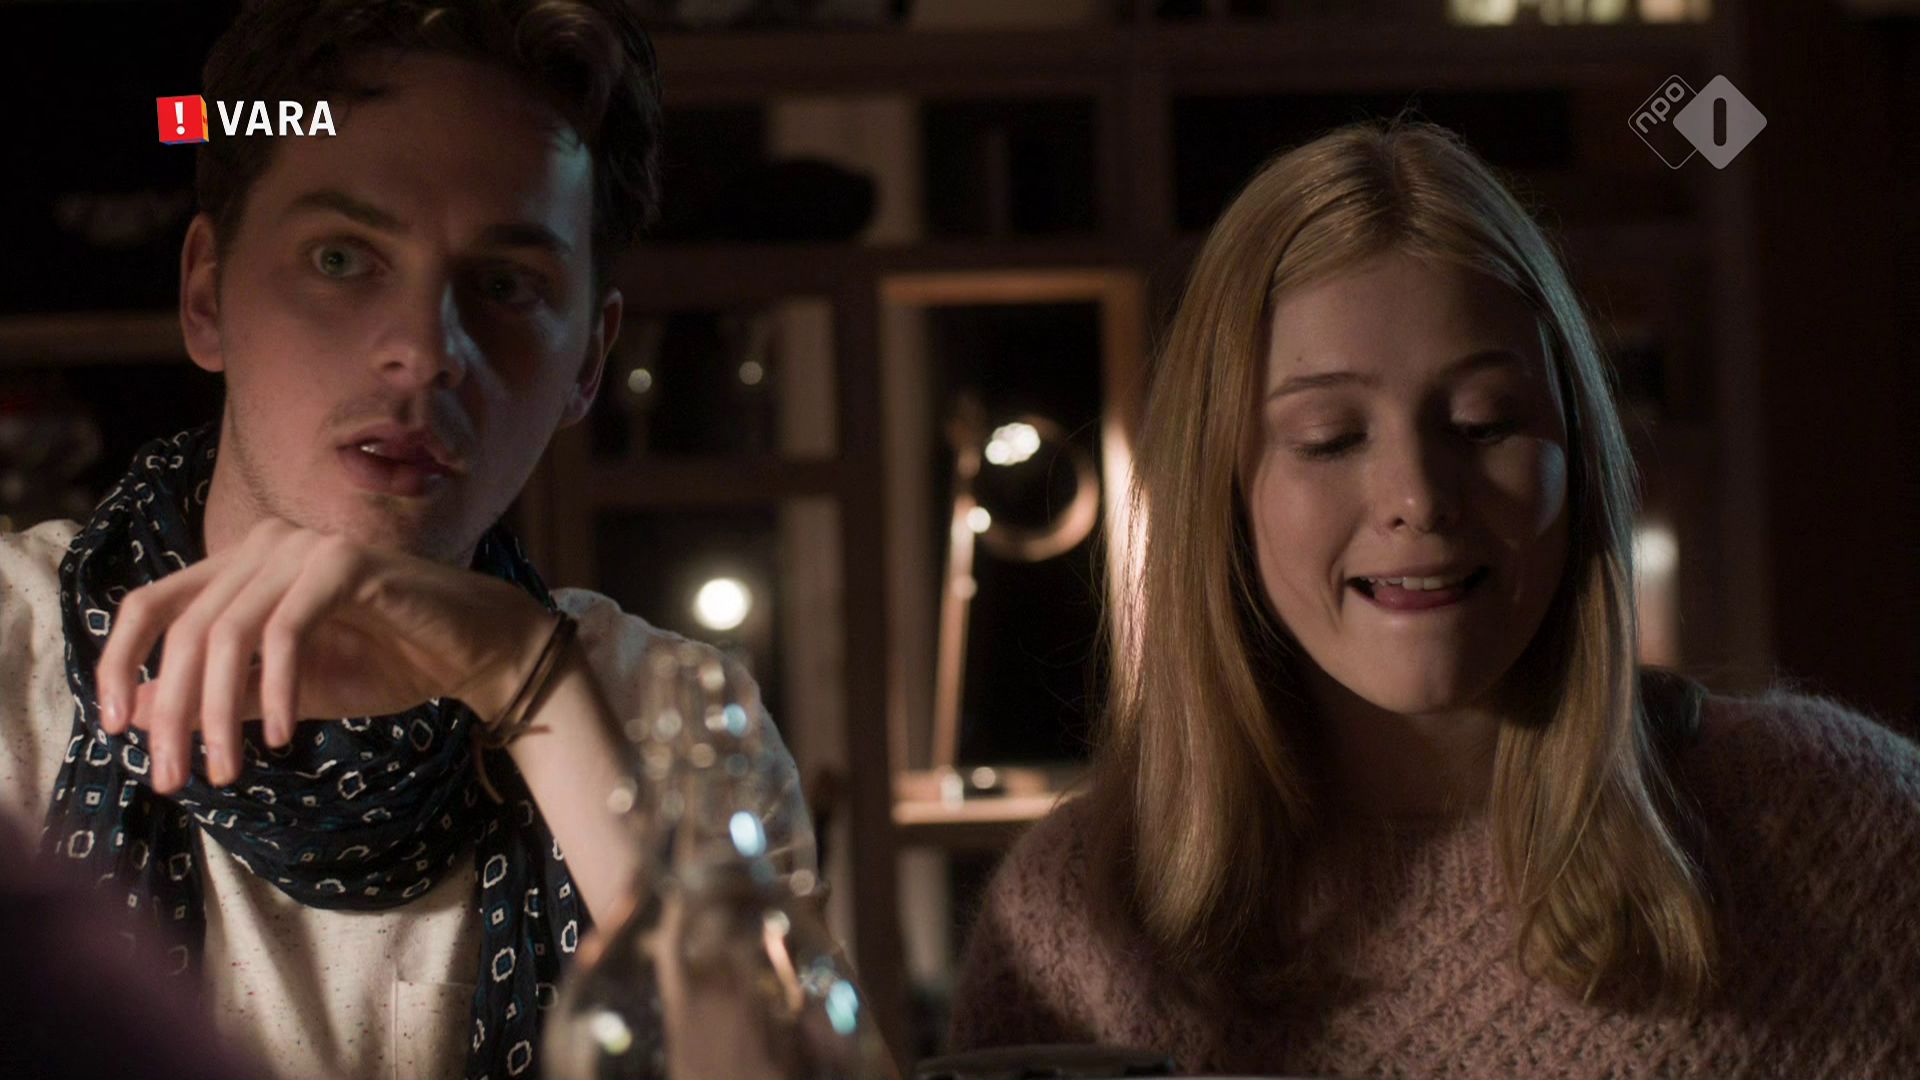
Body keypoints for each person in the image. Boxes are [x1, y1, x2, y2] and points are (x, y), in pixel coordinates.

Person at [948, 120, 1920, 1077]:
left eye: (1483, 422)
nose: (1417, 497)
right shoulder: (1073, 927)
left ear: (1579, 456)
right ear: (1222, 492)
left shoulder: (1849, 832)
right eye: (1331, 438)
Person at [0, 3, 812, 1079]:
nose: (427, 352)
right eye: (342, 258)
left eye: (507, 286)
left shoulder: (670, 723)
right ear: (207, 295)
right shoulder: (10, 659)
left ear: (588, 361)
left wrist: (526, 679)